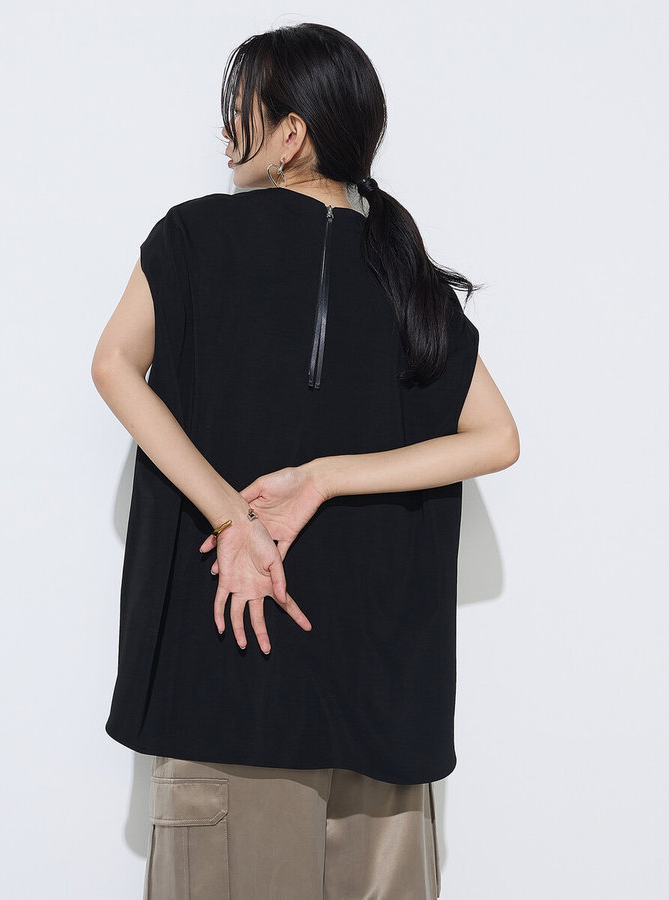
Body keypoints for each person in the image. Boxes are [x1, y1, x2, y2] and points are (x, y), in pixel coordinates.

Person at [92, 22, 519, 900]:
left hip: (229, 698)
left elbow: (113, 366)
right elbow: (496, 438)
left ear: (290, 135)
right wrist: (329, 476)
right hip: (384, 725)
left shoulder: (193, 237)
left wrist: (234, 517)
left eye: (238, 109)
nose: (225, 131)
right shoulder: (406, 278)